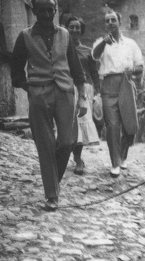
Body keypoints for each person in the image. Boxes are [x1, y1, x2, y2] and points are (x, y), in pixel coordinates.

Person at [11, 0, 88, 211]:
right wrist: (30, 88)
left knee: (66, 142)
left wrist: (82, 97)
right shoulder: (24, 36)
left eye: (50, 10)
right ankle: (52, 195)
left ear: (55, 11)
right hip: (39, 94)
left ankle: (53, 182)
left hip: (65, 92)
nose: (46, 14)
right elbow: (16, 71)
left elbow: (77, 69)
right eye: (42, 10)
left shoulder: (64, 34)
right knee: (44, 145)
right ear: (34, 12)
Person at [92, 10, 144, 178]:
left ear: (119, 22)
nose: (110, 23)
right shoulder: (100, 43)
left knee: (129, 124)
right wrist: (103, 44)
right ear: (105, 25)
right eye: (107, 21)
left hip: (127, 84)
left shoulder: (130, 43)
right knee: (113, 126)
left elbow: (140, 67)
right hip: (108, 85)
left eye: (113, 20)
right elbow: (94, 56)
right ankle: (114, 163)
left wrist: (132, 69)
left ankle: (123, 156)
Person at [65, 16, 100, 175]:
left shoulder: (88, 51)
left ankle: (78, 160)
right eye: (71, 27)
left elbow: (94, 73)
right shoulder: (61, 49)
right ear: (66, 29)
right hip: (65, 87)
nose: (74, 30)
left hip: (84, 89)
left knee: (80, 123)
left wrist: (97, 93)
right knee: (67, 123)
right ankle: (69, 156)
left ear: (81, 31)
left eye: (77, 27)